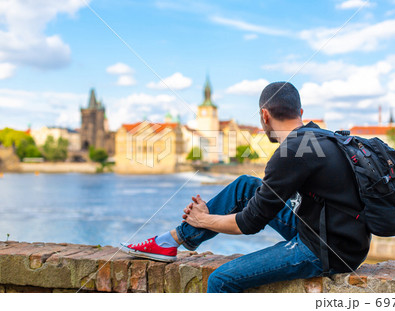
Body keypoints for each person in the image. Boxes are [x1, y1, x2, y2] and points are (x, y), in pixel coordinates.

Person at [120, 81, 371, 293]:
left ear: (264, 115)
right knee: (245, 186)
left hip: (325, 249)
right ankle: (173, 239)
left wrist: (203, 219)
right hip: (336, 235)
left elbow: (248, 224)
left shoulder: (290, 153)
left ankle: (177, 237)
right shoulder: (322, 137)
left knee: (220, 280)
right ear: (300, 111)